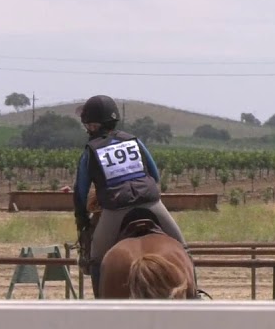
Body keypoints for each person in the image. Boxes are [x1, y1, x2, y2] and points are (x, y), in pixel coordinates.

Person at [72, 94, 193, 297]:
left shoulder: (90, 152)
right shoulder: (134, 141)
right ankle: (195, 296)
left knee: (96, 259)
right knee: (184, 250)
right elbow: (154, 174)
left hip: (114, 210)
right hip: (151, 203)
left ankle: (99, 305)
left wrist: (82, 220)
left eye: (88, 125)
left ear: (93, 125)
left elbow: (80, 193)